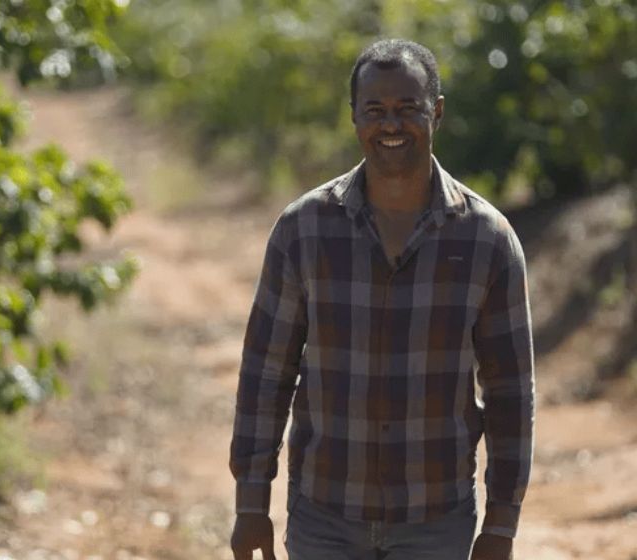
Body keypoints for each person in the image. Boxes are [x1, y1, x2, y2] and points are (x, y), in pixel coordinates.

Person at [229, 39, 534, 560]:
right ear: (354, 117)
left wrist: (501, 524)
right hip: (325, 515)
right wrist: (250, 502)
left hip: (437, 519)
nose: (391, 125)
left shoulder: (487, 239)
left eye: (408, 108)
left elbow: (510, 393)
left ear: (436, 112)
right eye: (374, 110)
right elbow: (266, 374)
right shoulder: (303, 230)